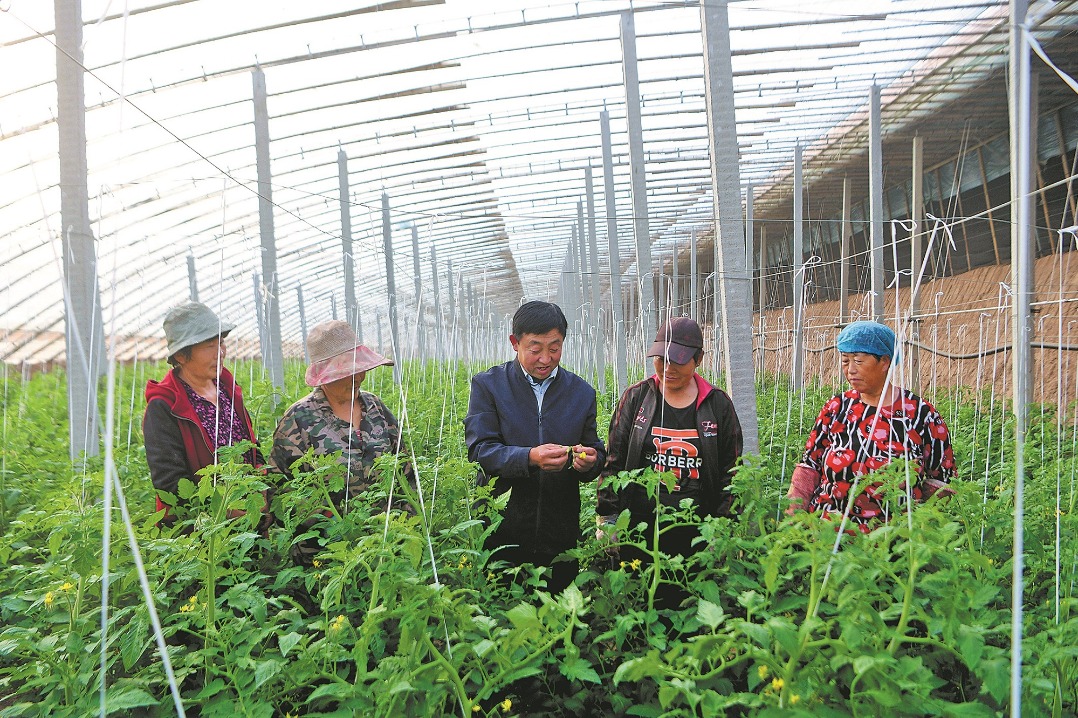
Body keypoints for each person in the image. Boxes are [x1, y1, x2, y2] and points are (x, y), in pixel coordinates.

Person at [464, 300, 606, 594]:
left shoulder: (581, 393)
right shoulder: (489, 386)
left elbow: (595, 449)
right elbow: (481, 449)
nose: (545, 358)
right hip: (502, 525)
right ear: (515, 343)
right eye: (535, 348)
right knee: (504, 605)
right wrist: (529, 457)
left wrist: (590, 461)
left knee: (558, 610)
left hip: (560, 526)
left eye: (554, 348)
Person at [597, 317, 743, 589]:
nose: (667, 368)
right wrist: (608, 518)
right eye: (661, 359)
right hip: (639, 529)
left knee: (688, 597)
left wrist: (721, 529)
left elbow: (731, 474)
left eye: (677, 360)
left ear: (698, 358)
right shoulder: (637, 398)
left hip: (697, 531)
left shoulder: (717, 405)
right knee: (640, 600)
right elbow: (613, 461)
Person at [785, 320, 956, 533]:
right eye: (845, 361)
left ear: (885, 362)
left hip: (895, 542)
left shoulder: (920, 414)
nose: (850, 370)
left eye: (858, 361)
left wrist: (930, 535)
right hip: (828, 535)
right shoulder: (837, 408)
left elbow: (940, 481)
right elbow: (809, 467)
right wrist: (792, 522)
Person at [271, 320, 412, 516]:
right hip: (327, 544)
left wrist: (406, 527)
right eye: (347, 372)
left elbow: (405, 472)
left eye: (360, 368)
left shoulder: (375, 407)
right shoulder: (298, 420)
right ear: (324, 378)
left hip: (388, 539)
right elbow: (282, 494)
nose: (358, 378)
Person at [143, 302, 265, 524]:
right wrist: (223, 511)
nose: (220, 353)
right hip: (200, 533)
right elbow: (170, 483)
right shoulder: (164, 407)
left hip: (249, 519)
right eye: (210, 346)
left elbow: (252, 448)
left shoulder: (228, 390)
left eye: (222, 343)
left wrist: (262, 491)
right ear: (181, 355)